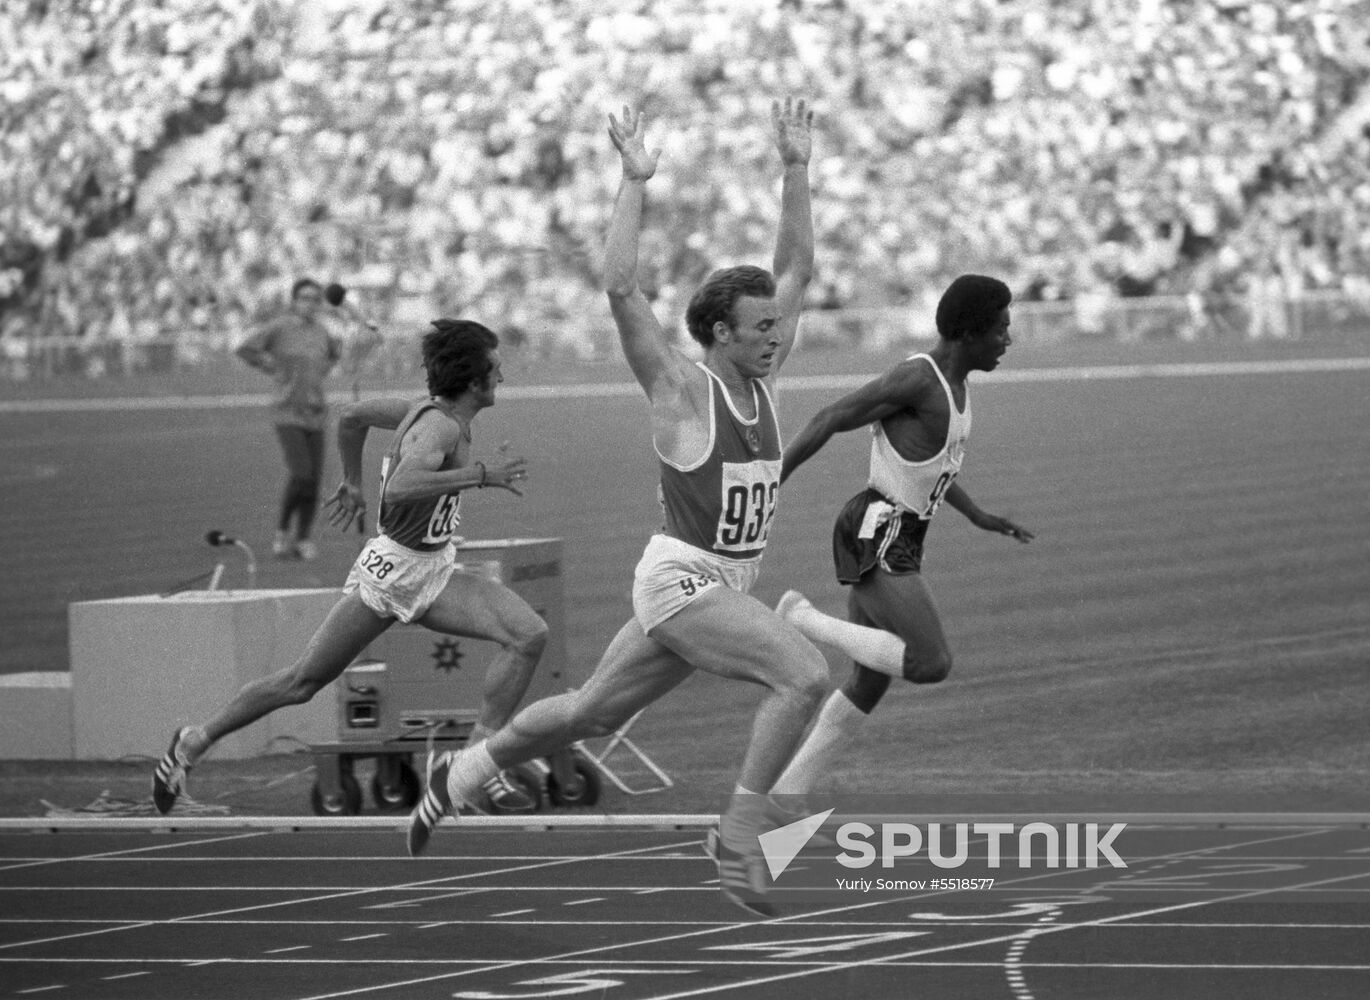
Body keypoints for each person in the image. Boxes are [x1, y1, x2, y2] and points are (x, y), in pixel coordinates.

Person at [405, 100, 825, 916]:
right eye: (761, 328)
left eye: (777, 325)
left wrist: (796, 167)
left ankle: (460, 774)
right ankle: (739, 836)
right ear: (719, 333)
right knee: (804, 677)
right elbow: (619, 285)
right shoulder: (680, 390)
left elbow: (798, 267)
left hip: (718, 583)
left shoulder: (764, 379)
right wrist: (634, 180)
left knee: (590, 715)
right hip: (684, 580)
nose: (778, 336)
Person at [152, 319, 548, 814]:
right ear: (472, 380)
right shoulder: (439, 427)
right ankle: (191, 742)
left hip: (433, 569)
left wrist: (351, 481)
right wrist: (480, 475)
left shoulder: (421, 412)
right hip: (393, 575)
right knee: (301, 683)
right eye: (495, 369)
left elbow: (352, 416)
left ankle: (470, 765)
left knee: (527, 635)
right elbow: (401, 487)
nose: (502, 378)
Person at [768, 274, 1034, 800]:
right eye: (1000, 330)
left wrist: (977, 515)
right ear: (968, 334)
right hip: (878, 531)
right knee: (930, 663)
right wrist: (772, 481)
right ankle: (801, 617)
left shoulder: (956, 389)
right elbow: (832, 416)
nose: (1008, 339)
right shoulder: (919, 379)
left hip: (900, 533)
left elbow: (933, 468)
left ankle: (783, 803)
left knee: (868, 684)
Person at [235, 277, 344, 560]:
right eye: (304, 298)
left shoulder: (322, 331)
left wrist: (322, 370)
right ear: (294, 301)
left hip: (316, 412)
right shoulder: (279, 328)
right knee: (301, 474)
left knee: (314, 480)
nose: (310, 303)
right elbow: (245, 348)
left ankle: (303, 538)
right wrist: (267, 364)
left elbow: (335, 354)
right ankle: (283, 532)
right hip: (287, 411)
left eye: (315, 299)